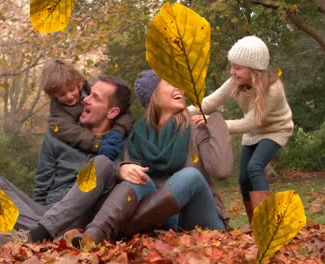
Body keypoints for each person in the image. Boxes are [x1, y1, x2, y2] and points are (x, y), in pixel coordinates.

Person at [72, 69, 234, 247]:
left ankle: (119, 231)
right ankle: (95, 235)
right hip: (167, 226)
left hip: (205, 223)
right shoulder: (135, 139)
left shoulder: (196, 127)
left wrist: (216, 121)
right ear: (153, 95)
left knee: (190, 176)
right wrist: (122, 170)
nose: (180, 88)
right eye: (171, 83)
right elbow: (124, 187)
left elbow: (222, 171)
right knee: (137, 177)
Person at [0, 75, 133, 245]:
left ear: (112, 112)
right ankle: (47, 233)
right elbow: (42, 184)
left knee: (102, 162)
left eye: (95, 97)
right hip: (50, 211)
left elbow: (130, 186)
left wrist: (118, 169)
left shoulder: (126, 141)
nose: (85, 99)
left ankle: (40, 234)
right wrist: (43, 215)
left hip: (85, 216)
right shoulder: (60, 135)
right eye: (89, 94)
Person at [188, 36, 294, 223]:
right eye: (232, 66)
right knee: (244, 178)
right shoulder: (234, 82)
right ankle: (255, 225)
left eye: (238, 68)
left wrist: (213, 123)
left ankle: (267, 224)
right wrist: (180, 112)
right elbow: (209, 102)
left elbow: (249, 123)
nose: (232, 72)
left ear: (254, 70)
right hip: (253, 134)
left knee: (255, 167)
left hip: (276, 130)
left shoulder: (273, 89)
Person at [42, 59, 133, 160]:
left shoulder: (92, 90)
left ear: (77, 83)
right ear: (53, 95)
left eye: (72, 90)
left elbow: (122, 111)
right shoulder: (58, 117)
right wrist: (97, 144)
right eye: (62, 94)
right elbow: (74, 134)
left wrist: (118, 130)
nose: (69, 96)